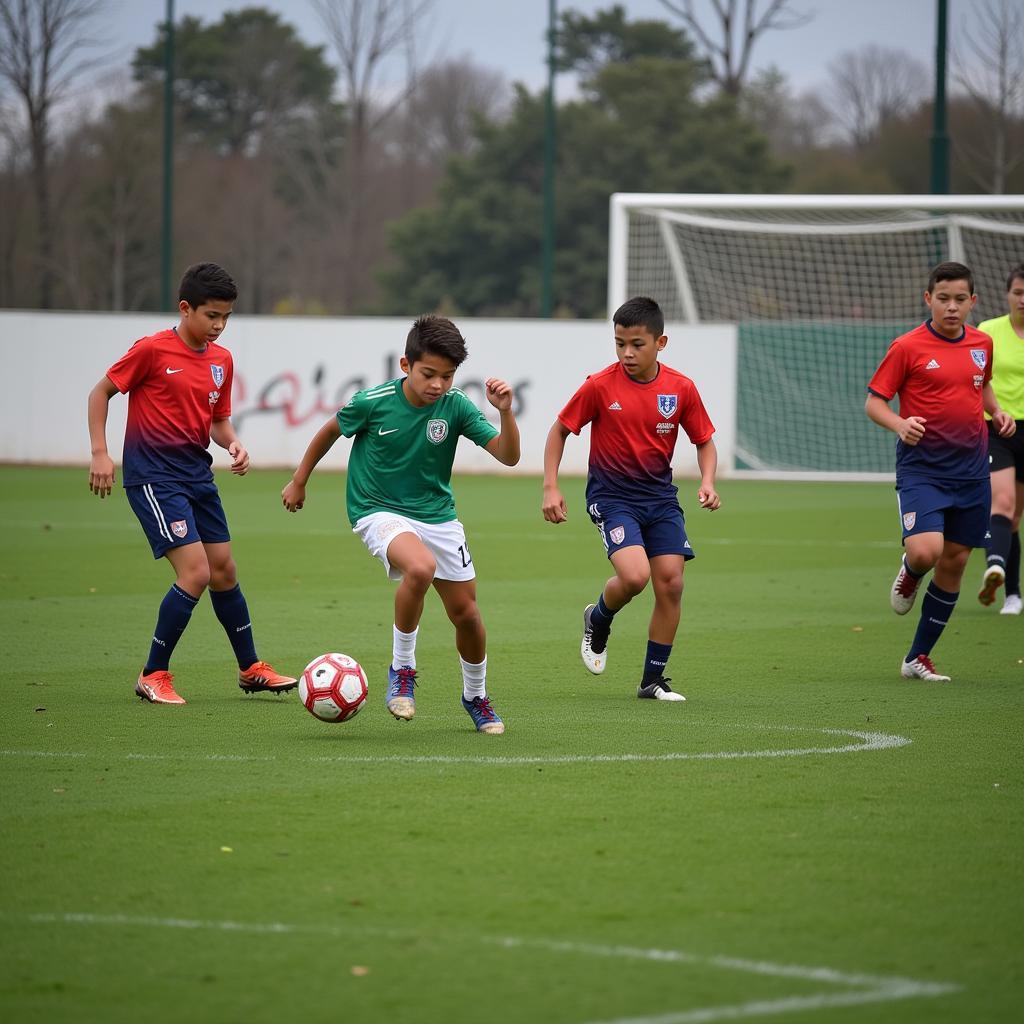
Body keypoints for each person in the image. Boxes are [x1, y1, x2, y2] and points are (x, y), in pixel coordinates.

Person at [281, 315, 520, 735]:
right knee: (420, 568)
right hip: (377, 509)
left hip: (438, 516)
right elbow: (329, 431)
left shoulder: (457, 406)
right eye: (429, 374)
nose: (438, 385)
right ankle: (402, 670)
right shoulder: (372, 402)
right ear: (406, 366)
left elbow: (508, 456)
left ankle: (476, 697)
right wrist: (300, 480)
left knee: (468, 616)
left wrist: (506, 413)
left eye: (448, 376)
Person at [87, 262, 296, 705]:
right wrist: (100, 452)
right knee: (197, 571)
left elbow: (217, 420)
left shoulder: (221, 360)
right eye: (211, 316)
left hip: (197, 475)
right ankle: (153, 674)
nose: (219, 326)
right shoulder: (152, 350)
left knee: (224, 570)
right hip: (154, 477)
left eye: (226, 317)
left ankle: (250, 669)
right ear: (186, 308)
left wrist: (233, 443)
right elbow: (100, 392)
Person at [541, 295, 720, 702]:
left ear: (661, 343)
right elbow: (559, 431)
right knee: (636, 576)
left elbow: (705, 441)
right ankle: (598, 618)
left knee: (671, 584)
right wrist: (551, 486)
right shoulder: (600, 386)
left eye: (636, 344)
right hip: (612, 497)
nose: (626, 353)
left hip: (660, 498)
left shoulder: (681, 388)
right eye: (619, 343)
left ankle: (651, 681)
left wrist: (707, 480)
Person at [866, 260, 1016, 682]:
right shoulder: (907, 346)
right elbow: (875, 402)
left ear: (973, 301)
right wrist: (899, 424)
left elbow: (980, 385)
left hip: (971, 470)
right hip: (923, 470)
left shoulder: (982, 343)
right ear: (928, 299)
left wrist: (997, 412)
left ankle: (918, 658)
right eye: (943, 299)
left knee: (955, 562)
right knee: (926, 552)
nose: (952, 307)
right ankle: (910, 572)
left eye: (960, 299)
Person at [978, 263, 1024, 615]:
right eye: (1018, 292)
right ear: (1007, 294)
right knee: (1002, 506)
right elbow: (976, 380)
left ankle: (1012, 593)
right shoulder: (988, 331)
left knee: (1014, 517)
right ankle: (996, 565)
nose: (1022, 300)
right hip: (997, 429)